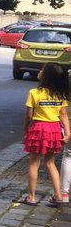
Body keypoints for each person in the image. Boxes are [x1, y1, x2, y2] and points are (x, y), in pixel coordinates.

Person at [18, 62, 70, 207]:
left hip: (39, 128)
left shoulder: (34, 93)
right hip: (54, 130)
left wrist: (25, 130)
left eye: (42, 70)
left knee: (34, 163)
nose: (39, 71)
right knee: (50, 162)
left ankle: (31, 197)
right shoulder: (59, 95)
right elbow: (63, 115)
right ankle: (58, 196)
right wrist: (67, 133)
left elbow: (28, 115)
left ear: (46, 76)